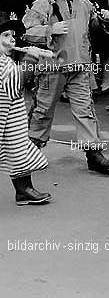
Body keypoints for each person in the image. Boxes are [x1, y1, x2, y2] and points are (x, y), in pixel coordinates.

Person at [22, 0, 109, 174]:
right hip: (51, 68)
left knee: (85, 110)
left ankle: (93, 154)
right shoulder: (41, 5)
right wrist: (49, 30)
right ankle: (30, 151)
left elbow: (93, 27)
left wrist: (104, 20)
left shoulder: (84, 2)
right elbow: (27, 33)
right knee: (43, 110)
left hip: (79, 67)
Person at [0, 15, 51, 205]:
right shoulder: (1, 63)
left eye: (12, 35)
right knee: (18, 152)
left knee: (17, 152)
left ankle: (23, 192)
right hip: (7, 120)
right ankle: (25, 190)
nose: (12, 39)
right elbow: (15, 83)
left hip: (11, 118)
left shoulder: (5, 60)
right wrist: (31, 58)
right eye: (5, 35)